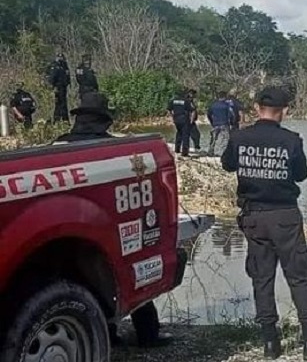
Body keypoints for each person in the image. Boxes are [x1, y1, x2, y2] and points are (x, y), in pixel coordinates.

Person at [53, 90, 174, 348]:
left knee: (86, 281)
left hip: (65, 234)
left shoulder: (56, 149)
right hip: (111, 229)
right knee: (135, 273)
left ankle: (107, 334)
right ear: (105, 120)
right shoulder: (111, 151)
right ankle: (148, 334)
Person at [221, 85, 307, 360]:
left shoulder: (239, 137)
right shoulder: (292, 140)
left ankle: (270, 342)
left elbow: (227, 165)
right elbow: (301, 174)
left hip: (254, 218)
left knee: (262, 278)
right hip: (285, 216)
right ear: (286, 110)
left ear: (256, 108)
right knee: (299, 276)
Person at [207, 91, 236, 156]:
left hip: (215, 124)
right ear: (225, 96)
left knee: (213, 139)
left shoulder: (213, 105)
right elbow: (231, 115)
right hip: (224, 124)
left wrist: (212, 122)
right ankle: (223, 153)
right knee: (225, 139)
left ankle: (210, 152)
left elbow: (208, 114)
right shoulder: (227, 105)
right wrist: (232, 123)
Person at [167, 90, 195, 157]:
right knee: (185, 135)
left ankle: (177, 149)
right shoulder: (185, 101)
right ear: (184, 95)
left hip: (176, 119)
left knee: (179, 133)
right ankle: (185, 153)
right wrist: (191, 120)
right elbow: (192, 110)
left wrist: (172, 117)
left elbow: (168, 110)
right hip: (184, 119)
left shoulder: (173, 100)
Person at [47, 52, 71, 123]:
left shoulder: (64, 66)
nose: (61, 59)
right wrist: (52, 87)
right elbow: (51, 78)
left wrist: (68, 84)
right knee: (59, 104)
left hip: (64, 87)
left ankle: (64, 120)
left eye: (62, 57)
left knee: (63, 104)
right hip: (58, 87)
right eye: (59, 57)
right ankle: (58, 120)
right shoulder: (54, 66)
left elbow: (67, 76)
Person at [186, 89, 202, 153]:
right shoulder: (188, 101)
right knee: (196, 134)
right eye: (193, 94)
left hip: (189, 121)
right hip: (190, 121)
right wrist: (191, 121)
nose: (194, 95)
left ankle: (188, 148)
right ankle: (196, 148)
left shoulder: (190, 101)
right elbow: (192, 111)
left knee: (190, 135)